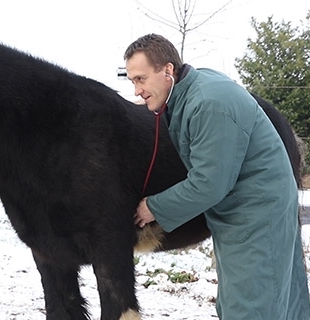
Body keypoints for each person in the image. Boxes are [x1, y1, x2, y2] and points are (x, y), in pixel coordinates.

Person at [125, 34, 310, 319]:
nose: (137, 90)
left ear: (168, 71)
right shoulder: (194, 90)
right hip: (246, 209)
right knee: (256, 297)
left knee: (251, 304)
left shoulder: (209, 103)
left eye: (141, 79)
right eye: (132, 81)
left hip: (257, 210)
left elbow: (209, 184)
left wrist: (153, 207)